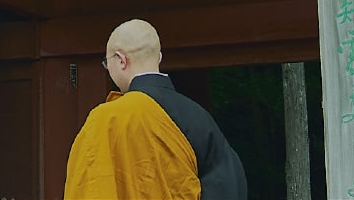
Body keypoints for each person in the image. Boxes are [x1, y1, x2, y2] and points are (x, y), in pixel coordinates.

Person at [64, 18, 247, 200]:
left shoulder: (107, 119)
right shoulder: (199, 117)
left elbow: (91, 190)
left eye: (107, 62)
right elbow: (230, 185)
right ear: (159, 58)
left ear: (121, 60)